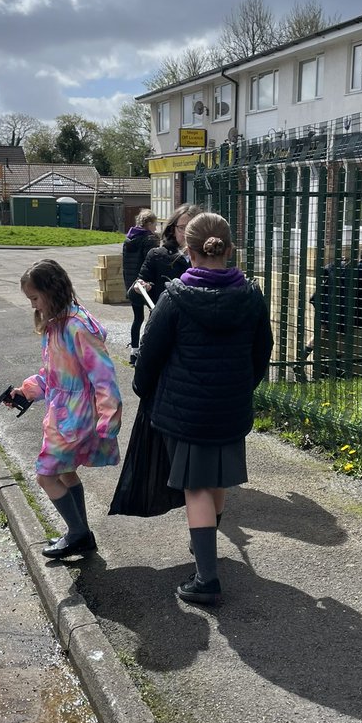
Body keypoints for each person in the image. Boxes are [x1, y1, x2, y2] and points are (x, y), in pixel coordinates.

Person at [133, 212, 274, 605]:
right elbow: (262, 350)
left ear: (188, 251)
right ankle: (206, 544)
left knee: (196, 486)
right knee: (216, 481)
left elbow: (150, 355)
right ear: (229, 249)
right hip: (229, 407)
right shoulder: (250, 296)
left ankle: (207, 578)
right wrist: (243, 387)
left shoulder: (175, 297)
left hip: (186, 412)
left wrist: (142, 388)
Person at [8, 259, 123, 560]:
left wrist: (109, 418)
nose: (33, 305)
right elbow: (52, 375)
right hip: (62, 413)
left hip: (77, 415)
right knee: (66, 473)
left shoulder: (77, 327)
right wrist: (26, 391)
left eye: (35, 298)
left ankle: (76, 533)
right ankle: (80, 533)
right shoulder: (56, 324)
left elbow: (104, 375)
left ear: (52, 290)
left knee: (46, 475)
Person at [129, 203, 202, 303]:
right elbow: (133, 296)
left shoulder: (210, 257)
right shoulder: (157, 255)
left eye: (193, 228)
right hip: (165, 317)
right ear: (173, 230)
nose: (187, 233)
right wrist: (139, 289)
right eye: (182, 227)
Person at [121, 209, 159, 365]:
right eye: (155, 224)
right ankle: (147, 351)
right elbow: (151, 263)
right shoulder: (149, 240)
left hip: (131, 283)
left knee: (137, 318)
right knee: (154, 317)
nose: (156, 228)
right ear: (149, 224)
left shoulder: (128, 239)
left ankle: (134, 352)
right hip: (146, 284)